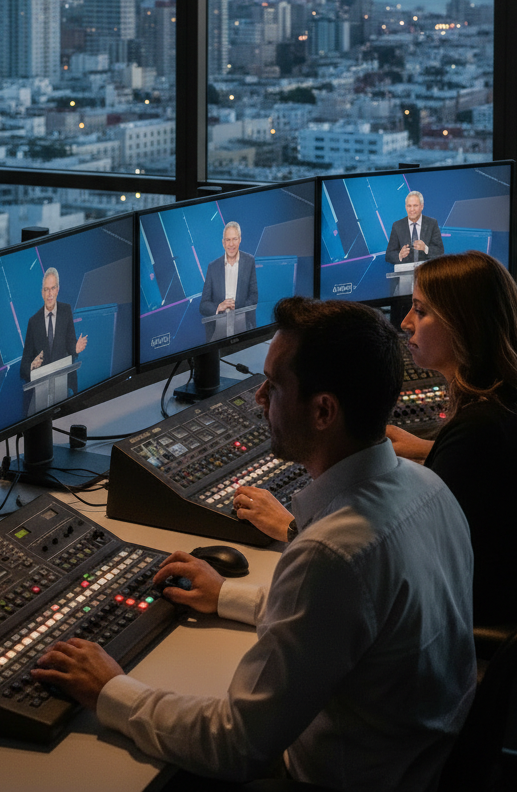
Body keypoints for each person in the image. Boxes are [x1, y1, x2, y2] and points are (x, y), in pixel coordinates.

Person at [32, 298, 476, 789]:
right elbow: (343, 622)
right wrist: (226, 596)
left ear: (324, 410)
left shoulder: (331, 555)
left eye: (275, 385)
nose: (259, 397)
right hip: (422, 765)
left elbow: (235, 745)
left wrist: (111, 691)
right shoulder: (429, 488)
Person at [239, 253, 517, 627]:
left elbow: (395, 561)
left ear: (464, 325)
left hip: (483, 621)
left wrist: (292, 529)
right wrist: (432, 451)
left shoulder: (480, 431)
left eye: (421, 311)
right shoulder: (514, 400)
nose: (406, 323)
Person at [19, 267, 87, 395]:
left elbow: (70, 343)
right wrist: (32, 366)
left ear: (58, 289)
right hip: (43, 390)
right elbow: (23, 366)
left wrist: (75, 348)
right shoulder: (33, 322)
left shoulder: (66, 311)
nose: (50, 294)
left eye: (53, 288)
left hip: (65, 384)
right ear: (42, 292)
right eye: (46, 289)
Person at [199, 220, 259, 340]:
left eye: (234, 239)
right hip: (218, 328)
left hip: (243, 324)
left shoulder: (249, 261)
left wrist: (238, 308)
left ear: (240, 239)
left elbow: (254, 296)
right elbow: (203, 305)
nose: (231, 244)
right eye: (228, 240)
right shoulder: (213, 267)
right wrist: (219, 307)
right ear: (223, 242)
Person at [385, 190, 444, 266]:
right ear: (406, 207)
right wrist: (400, 255)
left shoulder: (432, 224)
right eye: (409, 206)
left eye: (415, 205)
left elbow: (440, 251)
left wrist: (425, 248)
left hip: (427, 272)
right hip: (404, 274)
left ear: (422, 206)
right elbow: (389, 255)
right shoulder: (397, 226)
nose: (412, 209)